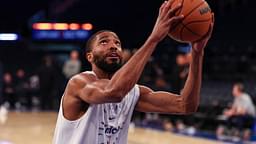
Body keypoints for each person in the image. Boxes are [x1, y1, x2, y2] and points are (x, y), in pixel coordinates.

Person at [53, 0, 214, 143]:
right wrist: (154, 38)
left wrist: (197, 53)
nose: (113, 46)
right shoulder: (79, 83)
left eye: (117, 43)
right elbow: (113, 92)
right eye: (104, 42)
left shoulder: (132, 93)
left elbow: (186, 105)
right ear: (89, 56)